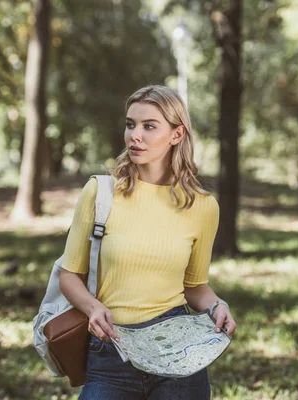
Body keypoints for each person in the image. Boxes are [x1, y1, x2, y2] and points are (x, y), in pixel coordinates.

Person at [59, 84, 237, 400]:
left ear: (177, 134)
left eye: (149, 126)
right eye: (131, 124)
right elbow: (69, 275)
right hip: (111, 351)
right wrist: (93, 307)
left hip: (176, 354)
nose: (134, 135)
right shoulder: (100, 193)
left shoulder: (202, 206)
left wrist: (217, 306)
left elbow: (194, 286)